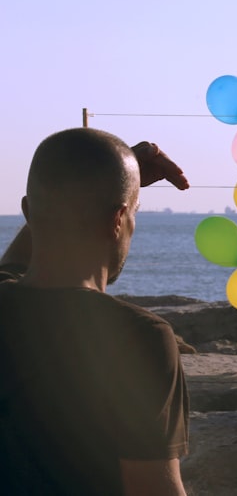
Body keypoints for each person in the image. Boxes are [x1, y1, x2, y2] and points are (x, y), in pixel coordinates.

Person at [0, 128, 191, 496]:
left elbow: (13, 264)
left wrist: (122, 172)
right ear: (119, 219)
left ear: (27, 212)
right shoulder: (139, 336)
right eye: (134, 212)